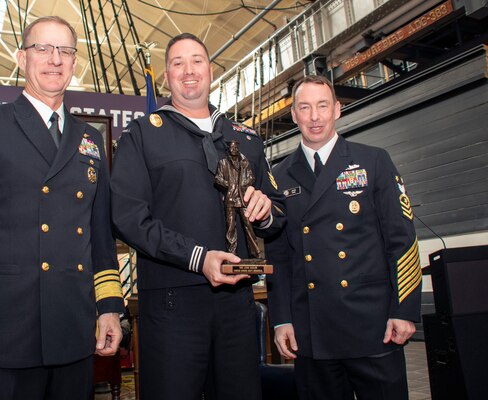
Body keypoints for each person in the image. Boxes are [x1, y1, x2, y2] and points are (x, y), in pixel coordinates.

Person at [0, 16, 124, 399]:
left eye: (65, 50)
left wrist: (108, 307)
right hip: (3, 337)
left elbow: (100, 236)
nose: (54, 59)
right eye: (43, 48)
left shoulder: (88, 139)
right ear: (21, 58)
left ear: (74, 63)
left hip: (73, 331)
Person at [110, 33, 285, 400]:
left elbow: (280, 210)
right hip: (173, 303)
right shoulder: (142, 135)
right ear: (166, 77)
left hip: (237, 303)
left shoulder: (246, 139)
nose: (189, 71)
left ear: (210, 70)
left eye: (197, 61)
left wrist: (266, 211)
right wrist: (197, 258)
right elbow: (127, 217)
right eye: (177, 63)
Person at [264, 75, 422, 400]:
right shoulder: (278, 176)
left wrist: (404, 310)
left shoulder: (373, 161)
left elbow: (402, 240)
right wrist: (281, 319)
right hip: (312, 331)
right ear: (293, 115)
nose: (314, 117)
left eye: (322, 106)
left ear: (337, 109)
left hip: (373, 325)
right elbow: (278, 256)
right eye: (304, 108)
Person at [215, 140, 260, 258]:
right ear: (228, 149)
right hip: (230, 199)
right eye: (232, 148)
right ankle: (232, 255)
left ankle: (255, 254)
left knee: (248, 227)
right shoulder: (223, 163)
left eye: (236, 147)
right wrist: (229, 185)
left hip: (242, 198)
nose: (234, 150)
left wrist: (243, 185)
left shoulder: (244, 162)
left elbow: (251, 177)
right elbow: (218, 179)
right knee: (230, 228)